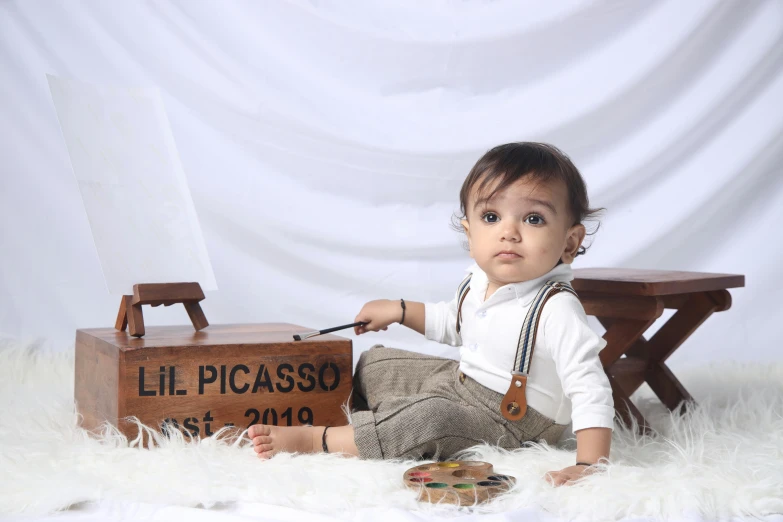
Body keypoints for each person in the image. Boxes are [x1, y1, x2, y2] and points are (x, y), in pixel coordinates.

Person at [249, 142, 615, 487]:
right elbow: (452, 323)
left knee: (431, 418)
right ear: (470, 235)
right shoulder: (478, 282)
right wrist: (400, 310)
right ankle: (378, 426)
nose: (508, 232)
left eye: (533, 219)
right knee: (378, 363)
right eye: (491, 216)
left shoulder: (556, 308)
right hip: (462, 383)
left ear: (569, 242)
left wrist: (589, 463)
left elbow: (589, 385)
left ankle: (319, 439)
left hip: (516, 422)